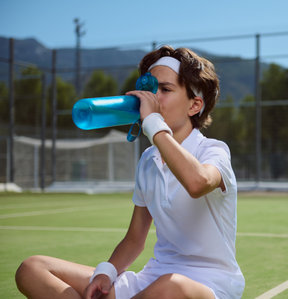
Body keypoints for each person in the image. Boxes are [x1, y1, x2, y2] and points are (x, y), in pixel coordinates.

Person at [15, 45, 245, 299]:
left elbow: (197, 182)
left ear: (194, 105)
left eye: (165, 90)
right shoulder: (148, 160)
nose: (153, 98)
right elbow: (135, 238)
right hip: (153, 278)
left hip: (209, 284)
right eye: (149, 89)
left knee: (172, 287)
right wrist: (106, 273)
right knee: (32, 268)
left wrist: (153, 123)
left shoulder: (214, 151)